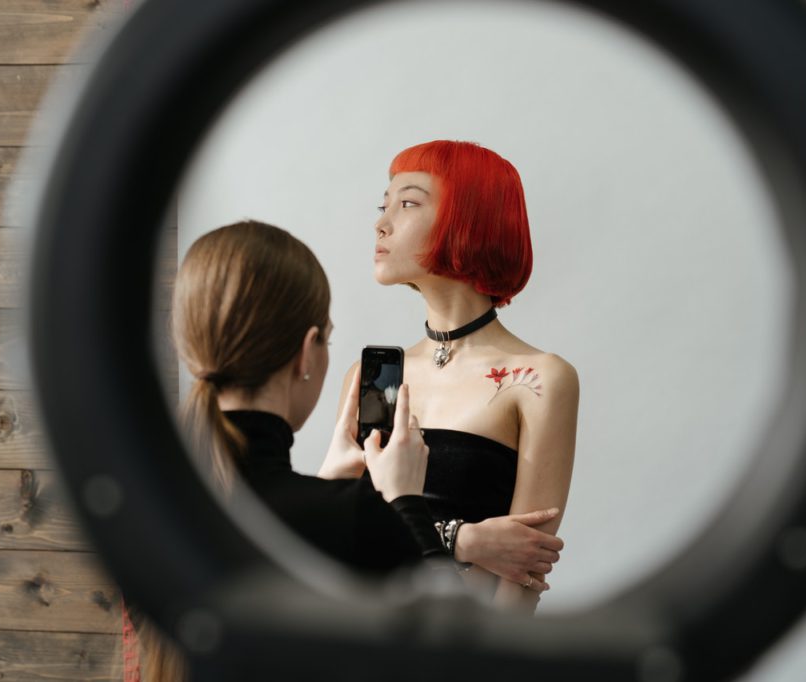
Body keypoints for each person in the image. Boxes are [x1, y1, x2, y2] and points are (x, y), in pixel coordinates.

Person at [131, 220, 563, 680]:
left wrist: (329, 484)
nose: (382, 222)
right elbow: (442, 658)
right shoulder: (353, 516)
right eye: (328, 339)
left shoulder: (150, 508)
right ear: (307, 353)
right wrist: (406, 503)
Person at [322, 141, 578, 614]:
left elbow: (523, 575)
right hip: (359, 634)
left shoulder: (541, 379)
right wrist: (460, 538)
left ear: (469, 220)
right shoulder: (369, 376)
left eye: (407, 204)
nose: (381, 223)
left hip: (467, 643)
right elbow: (340, 537)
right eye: (383, 206)